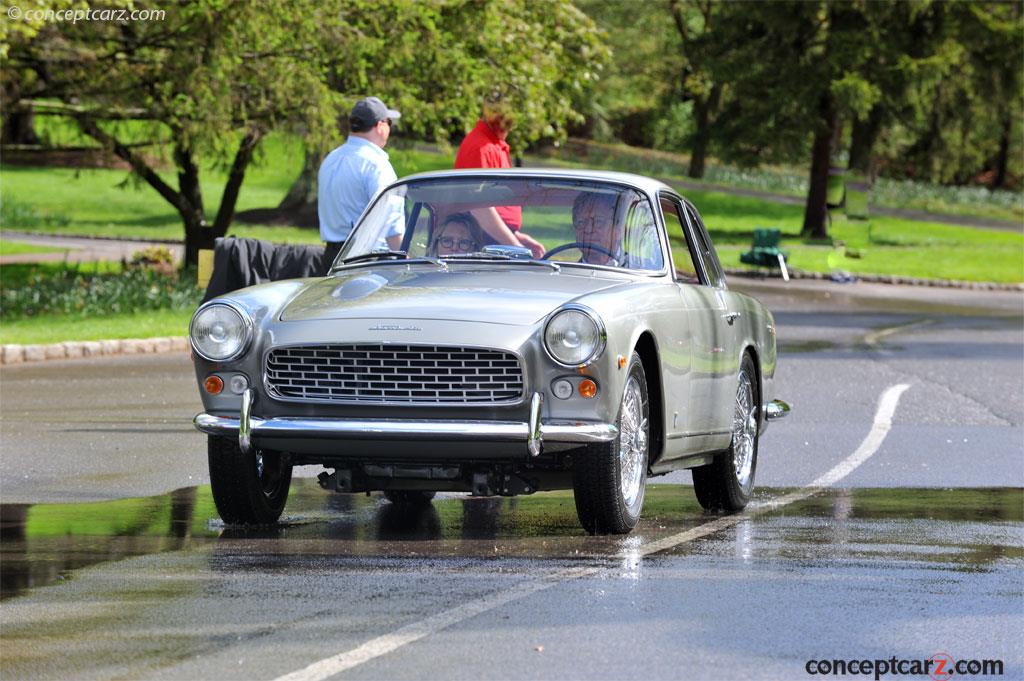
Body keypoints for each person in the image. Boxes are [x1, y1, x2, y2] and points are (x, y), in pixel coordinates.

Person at [317, 96, 404, 271]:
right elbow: (391, 224)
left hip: (331, 258)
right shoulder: (376, 165)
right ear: (380, 126)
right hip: (367, 260)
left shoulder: (331, 159)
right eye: (389, 123)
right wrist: (404, 261)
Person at [454, 93, 545, 258]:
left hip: (495, 238)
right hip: (483, 242)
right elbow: (480, 209)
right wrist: (515, 247)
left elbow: (496, 206)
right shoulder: (480, 147)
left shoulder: (494, 144)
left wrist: (517, 236)